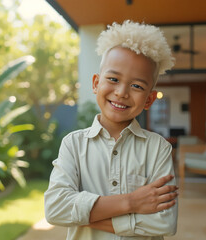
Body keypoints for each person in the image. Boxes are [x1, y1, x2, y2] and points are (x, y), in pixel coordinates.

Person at [44, 20, 178, 239]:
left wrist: (85, 217)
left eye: (137, 86)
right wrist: (131, 202)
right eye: (113, 79)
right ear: (96, 83)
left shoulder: (158, 149)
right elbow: (55, 209)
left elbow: (165, 222)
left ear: (149, 99)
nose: (122, 92)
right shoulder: (73, 145)